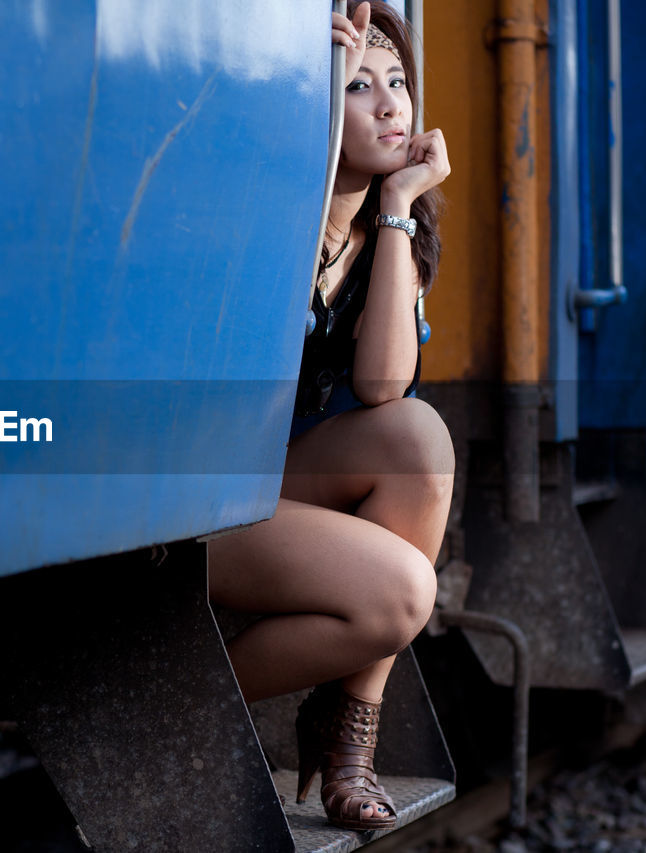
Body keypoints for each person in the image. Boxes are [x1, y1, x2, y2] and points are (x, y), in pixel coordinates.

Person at [207, 0, 453, 833]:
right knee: (400, 594)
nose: (389, 105)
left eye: (398, 83)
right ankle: (182, 702)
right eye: (356, 85)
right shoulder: (269, 206)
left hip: (273, 487)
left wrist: (395, 207)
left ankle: (348, 735)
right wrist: (306, 141)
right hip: (194, 489)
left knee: (420, 440)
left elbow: (386, 387)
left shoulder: (394, 231)